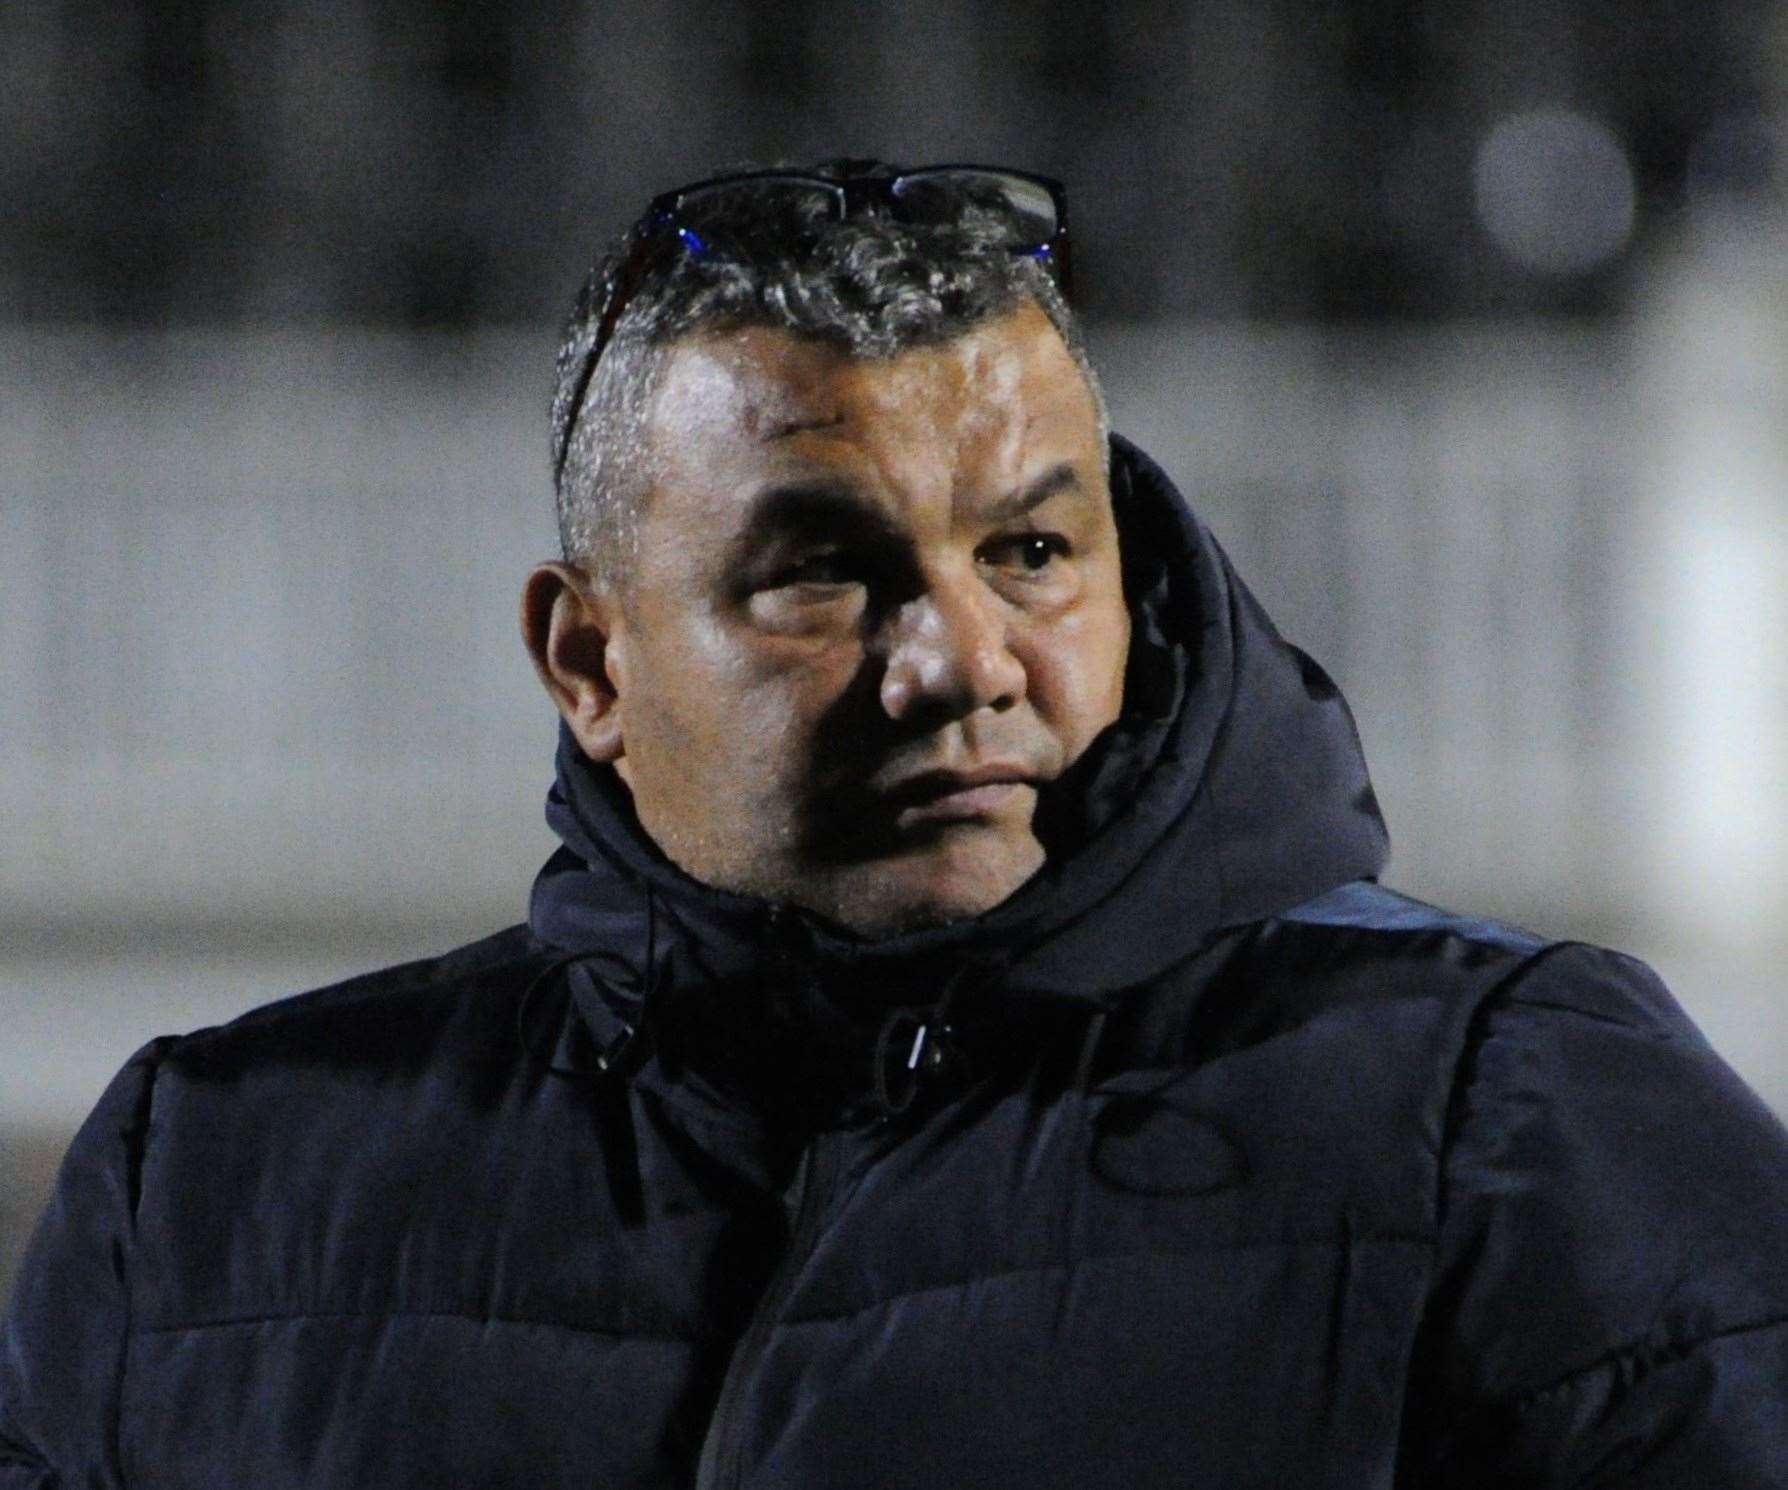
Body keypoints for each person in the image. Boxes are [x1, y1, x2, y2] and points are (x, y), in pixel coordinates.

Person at [4, 159, 1787, 1489]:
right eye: (821, 576)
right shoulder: (215, 1190)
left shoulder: (1516, 1109)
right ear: (588, 658)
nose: (958, 661)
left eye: (1029, 550)